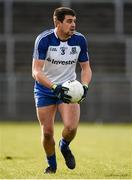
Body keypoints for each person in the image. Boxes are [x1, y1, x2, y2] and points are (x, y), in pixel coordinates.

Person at [32, 7, 92, 174]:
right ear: (57, 23)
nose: (73, 25)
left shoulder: (80, 40)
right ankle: (52, 165)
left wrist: (84, 85)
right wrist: (53, 87)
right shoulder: (44, 39)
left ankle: (64, 146)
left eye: (74, 21)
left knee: (71, 128)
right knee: (48, 132)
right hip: (45, 89)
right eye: (69, 21)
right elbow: (36, 71)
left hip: (68, 88)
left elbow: (86, 68)